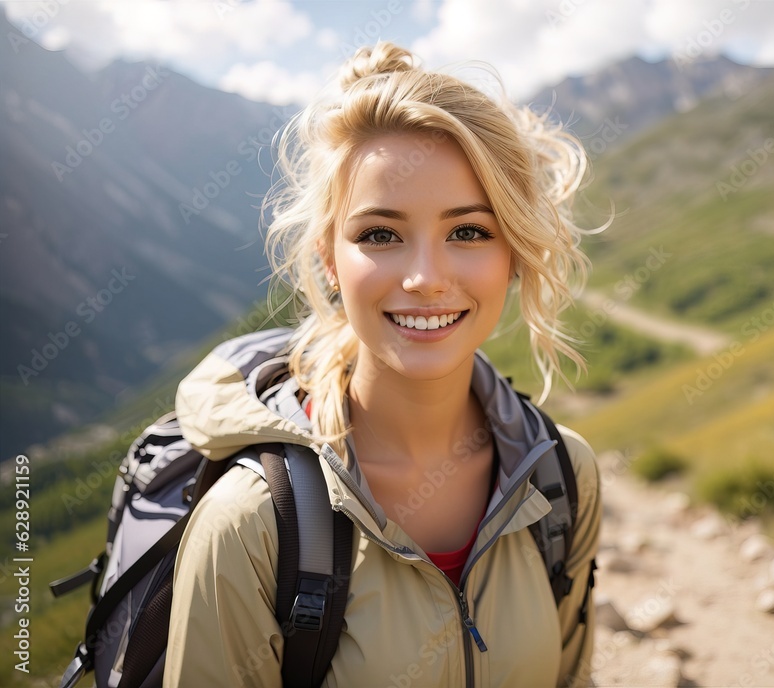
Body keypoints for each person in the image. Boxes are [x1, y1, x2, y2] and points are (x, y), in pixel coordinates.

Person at [164, 41, 603, 687]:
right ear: (327, 258)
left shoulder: (564, 478)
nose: (426, 278)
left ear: (514, 250)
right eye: (380, 235)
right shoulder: (250, 526)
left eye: (469, 231)